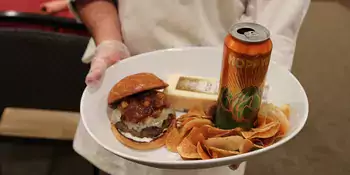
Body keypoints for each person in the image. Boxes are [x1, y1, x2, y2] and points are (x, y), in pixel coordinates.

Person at [68, 0, 310, 174]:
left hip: (220, 112)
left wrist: (248, 121)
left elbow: (274, 28)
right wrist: (109, 40)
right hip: (125, 70)